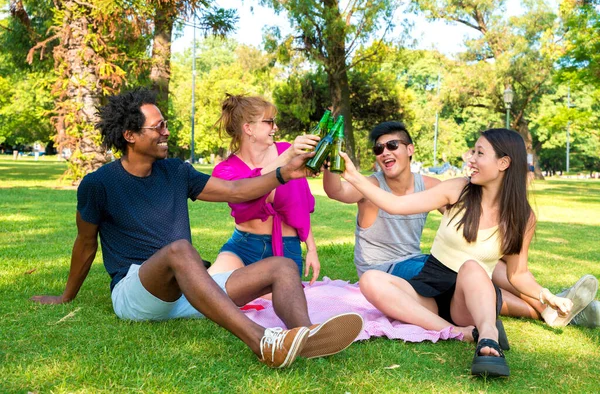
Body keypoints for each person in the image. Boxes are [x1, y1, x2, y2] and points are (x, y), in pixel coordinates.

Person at [30, 88, 363, 369]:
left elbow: (234, 191)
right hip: (136, 293)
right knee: (180, 250)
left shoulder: (176, 171)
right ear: (130, 136)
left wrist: (282, 174)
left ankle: (307, 336)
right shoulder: (99, 184)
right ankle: (261, 341)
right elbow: (86, 244)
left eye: (166, 125)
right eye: (157, 127)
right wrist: (65, 296)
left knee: (283, 266)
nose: (166, 132)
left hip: (186, 289)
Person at [338, 128, 586, 377]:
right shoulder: (458, 189)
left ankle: (488, 337)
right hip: (429, 290)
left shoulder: (523, 218)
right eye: (473, 151)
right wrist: (353, 176)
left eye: (480, 153)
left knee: (471, 267)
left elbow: (518, 274)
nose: (471, 159)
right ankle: (459, 332)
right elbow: (396, 205)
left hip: (469, 299)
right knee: (369, 279)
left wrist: (547, 296)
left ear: (503, 162)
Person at [207, 94, 322, 284]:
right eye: (269, 122)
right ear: (248, 128)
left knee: (279, 300)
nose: (275, 127)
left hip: (286, 248)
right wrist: (288, 157)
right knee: (209, 289)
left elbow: (301, 206)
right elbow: (247, 189)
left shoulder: (286, 150)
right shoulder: (225, 170)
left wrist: (312, 250)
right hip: (243, 246)